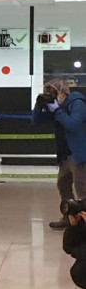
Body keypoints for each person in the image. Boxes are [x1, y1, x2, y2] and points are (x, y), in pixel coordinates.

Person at [32, 78, 86, 229]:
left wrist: (57, 110)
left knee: (82, 189)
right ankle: (69, 218)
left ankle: (84, 221)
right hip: (65, 155)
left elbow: (73, 124)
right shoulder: (59, 108)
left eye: (53, 93)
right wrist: (40, 105)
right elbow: (36, 121)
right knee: (64, 187)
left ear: (62, 92)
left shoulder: (77, 103)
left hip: (79, 154)